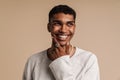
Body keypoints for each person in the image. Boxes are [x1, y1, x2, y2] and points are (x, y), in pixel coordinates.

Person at [23, 5, 100, 80]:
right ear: (49, 27)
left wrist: (60, 61)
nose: (63, 30)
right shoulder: (33, 60)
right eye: (57, 23)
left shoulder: (88, 59)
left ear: (74, 28)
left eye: (69, 24)